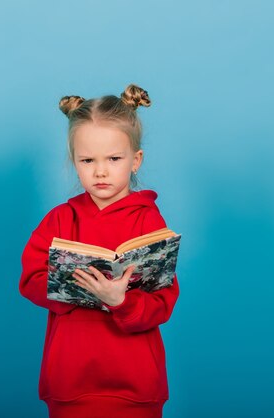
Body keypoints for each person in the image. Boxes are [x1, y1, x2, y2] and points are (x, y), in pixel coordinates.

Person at [19, 83, 180, 418]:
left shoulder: (149, 221)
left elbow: (162, 302)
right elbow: (31, 278)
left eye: (114, 159)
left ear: (135, 161)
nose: (100, 171)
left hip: (135, 383)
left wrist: (121, 301)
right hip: (71, 381)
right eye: (87, 160)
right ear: (74, 161)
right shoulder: (60, 218)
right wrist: (74, 287)